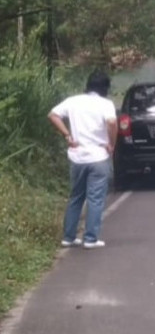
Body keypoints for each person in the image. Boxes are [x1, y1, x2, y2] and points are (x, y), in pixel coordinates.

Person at [48, 70, 118, 249]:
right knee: (95, 199)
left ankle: (68, 237)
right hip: (98, 157)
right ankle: (90, 239)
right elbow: (111, 123)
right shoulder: (105, 104)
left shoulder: (73, 101)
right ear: (105, 88)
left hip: (77, 157)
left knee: (76, 197)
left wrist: (67, 135)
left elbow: (53, 115)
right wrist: (111, 144)